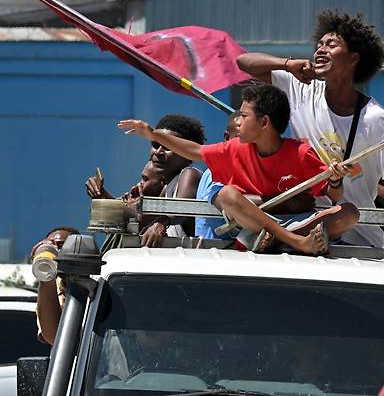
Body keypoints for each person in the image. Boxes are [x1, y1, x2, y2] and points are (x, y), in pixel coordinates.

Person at [235, 10, 384, 262]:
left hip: (358, 240)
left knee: (348, 212)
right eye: (319, 44)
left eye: (331, 45)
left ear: (354, 58)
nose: (320, 50)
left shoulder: (377, 120)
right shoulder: (299, 88)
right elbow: (243, 62)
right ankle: (286, 237)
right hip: (302, 225)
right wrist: (287, 64)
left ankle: (276, 236)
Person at [118, 84, 359, 255]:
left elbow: (334, 196)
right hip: (255, 227)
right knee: (226, 196)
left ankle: (275, 241)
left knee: (350, 212)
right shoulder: (234, 149)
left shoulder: (301, 153)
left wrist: (336, 179)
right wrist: (152, 132)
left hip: (291, 225)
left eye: (244, 115)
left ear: (264, 123)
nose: (239, 121)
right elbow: (194, 151)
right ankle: (295, 243)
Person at [86, 114, 205, 247]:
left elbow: (184, 207)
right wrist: (100, 194)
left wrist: (161, 223)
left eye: (167, 147)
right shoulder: (165, 187)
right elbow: (136, 219)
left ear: (186, 151)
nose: (158, 152)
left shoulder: (190, 174)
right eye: (155, 145)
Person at [32, 226, 79, 345]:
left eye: (62, 246)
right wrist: (46, 272)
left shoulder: (96, 285)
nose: (57, 252)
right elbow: (54, 336)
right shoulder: (53, 291)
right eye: (53, 246)